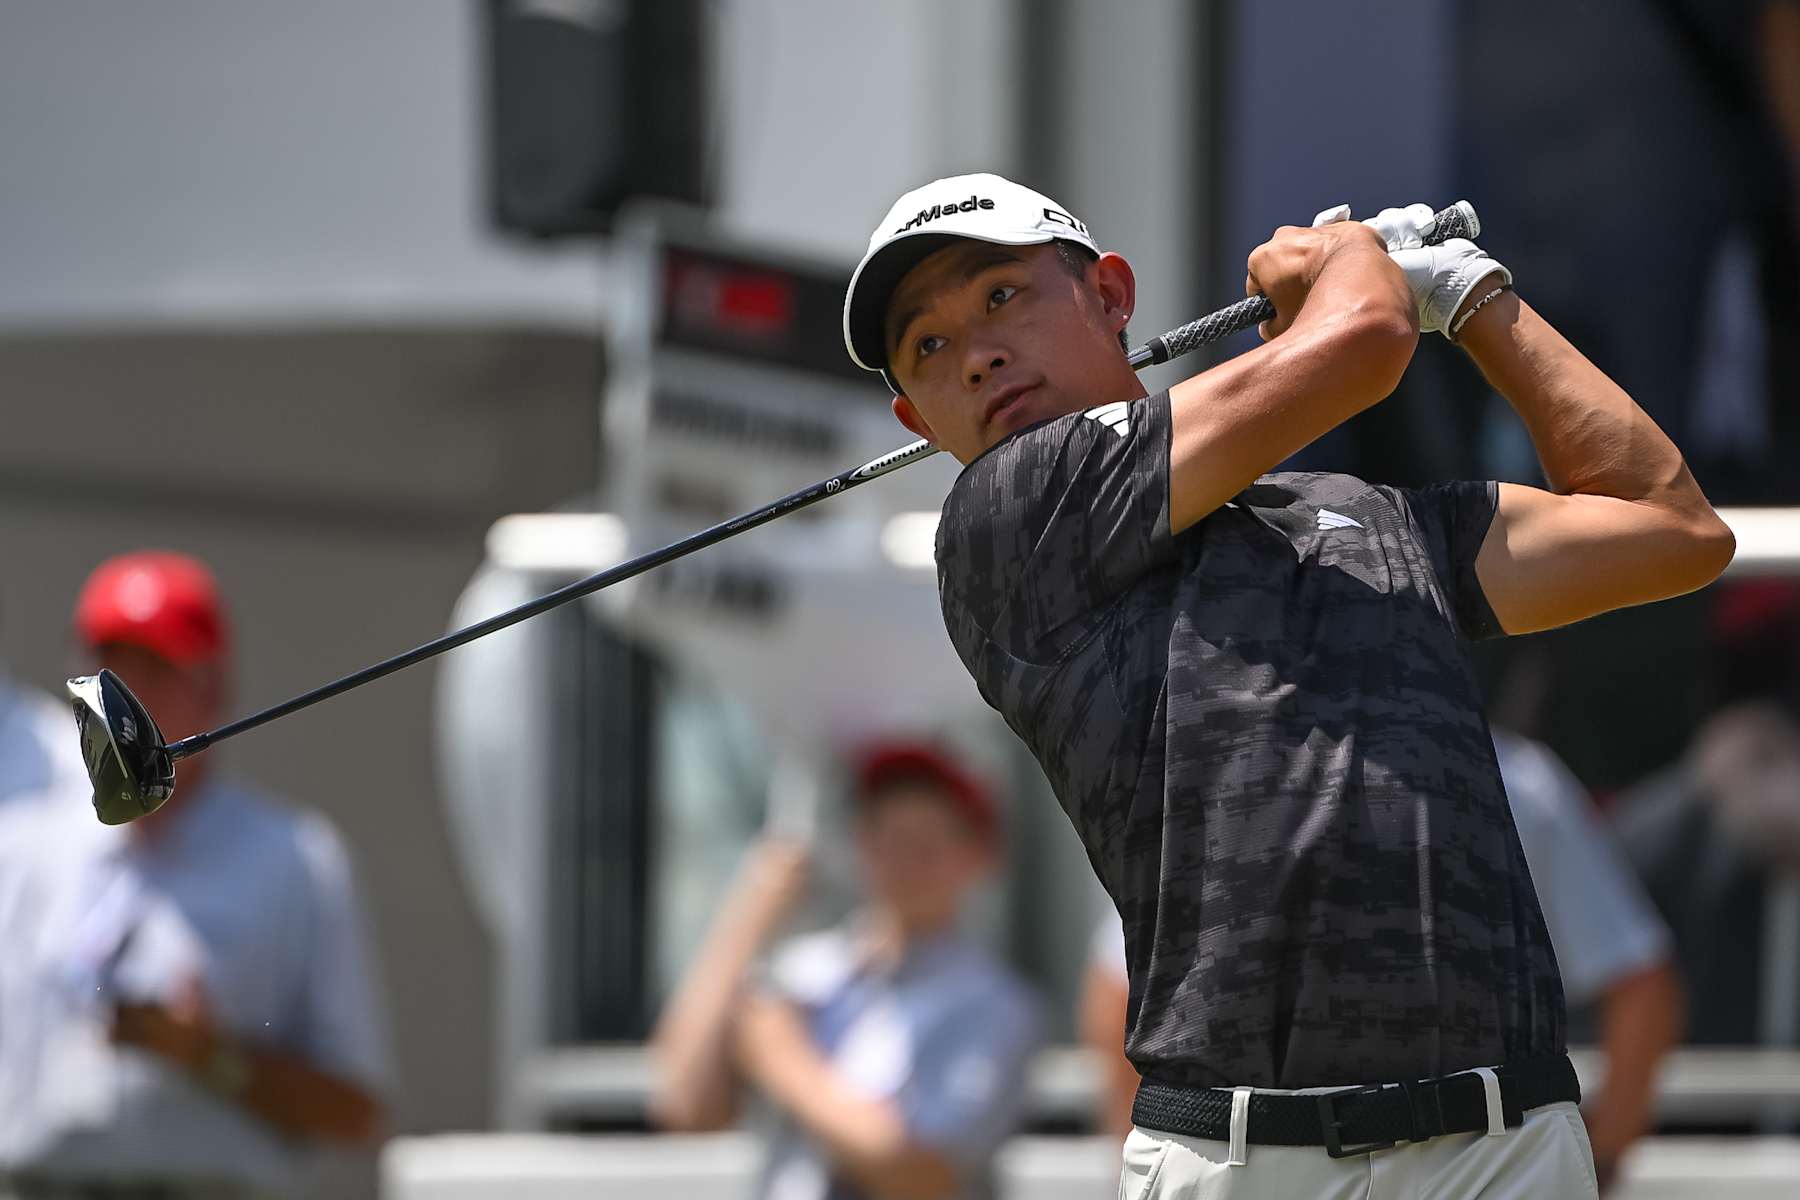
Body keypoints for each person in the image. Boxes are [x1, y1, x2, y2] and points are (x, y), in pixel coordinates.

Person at [839, 173, 1734, 1196]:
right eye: (931, 348)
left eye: (1000, 297)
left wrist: (1478, 299)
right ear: (920, 416)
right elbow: (1363, 344)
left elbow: (1671, 529)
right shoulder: (1007, 517)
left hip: (1501, 1145)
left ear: (1113, 297)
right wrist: (1343, 257)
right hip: (1242, 1158)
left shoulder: (1379, 520)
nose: (978, 353)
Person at [1081, 725, 1684, 1190]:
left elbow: (1642, 988)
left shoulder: (1227, 765)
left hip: (1274, 1161)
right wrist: (1594, 1164)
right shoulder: (1517, 777)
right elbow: (1642, 986)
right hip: (1474, 1159)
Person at [0, 551, 392, 1198]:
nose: (128, 703)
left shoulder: (294, 860)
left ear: (212, 690)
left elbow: (354, 1108)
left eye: (155, 672)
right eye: (111, 676)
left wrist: (213, 1058)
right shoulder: (21, 848)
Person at [649, 743, 1040, 1200]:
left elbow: (921, 1173)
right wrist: (751, 910)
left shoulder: (995, 1005)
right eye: (890, 837)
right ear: (862, 844)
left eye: (928, 843)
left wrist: (783, 1058)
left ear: (976, 856)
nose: (907, 862)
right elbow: (682, 1102)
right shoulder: (804, 971)